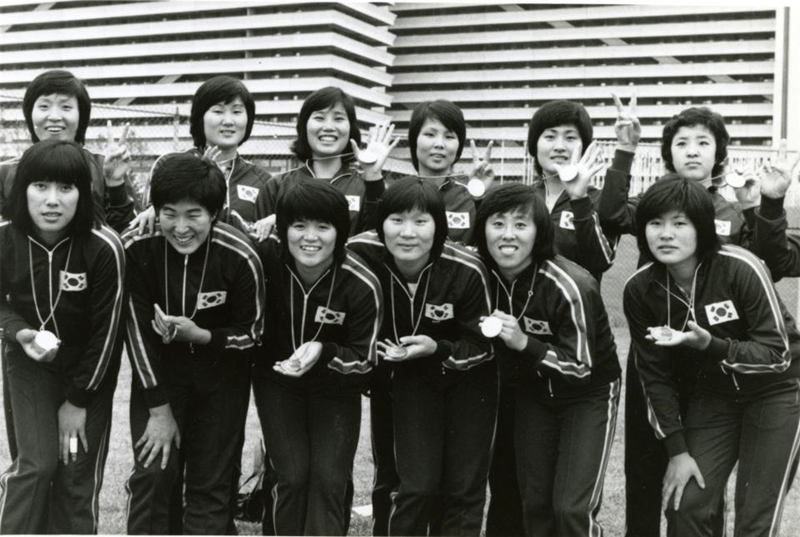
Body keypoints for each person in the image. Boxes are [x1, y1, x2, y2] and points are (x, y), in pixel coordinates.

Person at [598, 105, 794, 536]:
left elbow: (772, 272)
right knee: (676, 494)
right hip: (692, 370)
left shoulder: (736, 236)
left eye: (703, 142)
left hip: (756, 376)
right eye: (655, 224)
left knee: (749, 513)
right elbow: (611, 214)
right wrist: (625, 152)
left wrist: (767, 205)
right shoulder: (642, 279)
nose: (666, 233)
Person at [486, 97, 626, 536]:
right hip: (519, 363)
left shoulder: (593, 198)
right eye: (549, 136)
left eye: (571, 137)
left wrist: (582, 200)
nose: (560, 145)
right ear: (534, 146)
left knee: (569, 505)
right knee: (520, 489)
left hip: (573, 351)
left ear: (585, 146)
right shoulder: (516, 200)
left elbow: (601, 259)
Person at [122, 152, 265, 534]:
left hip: (222, 378)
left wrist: (203, 336)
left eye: (194, 215)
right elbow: (134, 330)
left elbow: (253, 333)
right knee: (153, 475)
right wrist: (158, 409)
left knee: (210, 483)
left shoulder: (239, 255)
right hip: (161, 373)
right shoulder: (137, 246)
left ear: (215, 213)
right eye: (169, 213)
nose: (181, 227)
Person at [349, 177, 496, 536]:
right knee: (409, 485)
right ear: (380, 223)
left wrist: (439, 349)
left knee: (463, 487)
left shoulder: (465, 269)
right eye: (397, 220)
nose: (408, 233)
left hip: (464, 383)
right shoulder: (361, 256)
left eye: (421, 221)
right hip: (400, 383)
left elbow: (483, 344)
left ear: (439, 226)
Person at [0, 139, 125, 533]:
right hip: (27, 363)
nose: (52, 200)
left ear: (82, 194)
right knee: (36, 465)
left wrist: (78, 400)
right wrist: (19, 333)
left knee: (75, 476)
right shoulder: (4, 238)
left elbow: (108, 332)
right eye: (40, 187)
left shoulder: (104, 246)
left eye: (65, 188)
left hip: (87, 374)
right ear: (22, 192)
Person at [252, 179, 382, 535]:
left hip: (336, 389)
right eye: (299, 226)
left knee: (329, 480)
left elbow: (365, 359)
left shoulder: (360, 280)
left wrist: (324, 352)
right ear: (282, 229)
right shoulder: (264, 260)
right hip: (276, 381)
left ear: (340, 232)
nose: (310, 237)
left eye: (323, 227)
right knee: (291, 475)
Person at [0, 69, 135, 234]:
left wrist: (116, 185)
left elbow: (129, 234)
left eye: (66, 107)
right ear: (30, 114)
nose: (55, 116)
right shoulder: (5, 172)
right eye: (44, 106)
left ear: (81, 116)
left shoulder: (105, 165)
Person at [260, 86, 399, 239]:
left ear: (351, 128)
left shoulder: (367, 186)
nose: (328, 127)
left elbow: (380, 239)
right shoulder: (277, 186)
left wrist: (373, 176)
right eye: (319, 118)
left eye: (339, 118)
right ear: (304, 126)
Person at [402, 99, 495, 246]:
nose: (439, 144)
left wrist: (479, 197)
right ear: (414, 140)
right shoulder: (399, 195)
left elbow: (488, 248)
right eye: (430, 134)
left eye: (449, 136)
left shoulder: (470, 196)